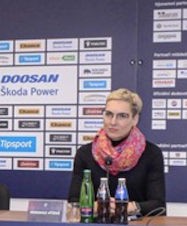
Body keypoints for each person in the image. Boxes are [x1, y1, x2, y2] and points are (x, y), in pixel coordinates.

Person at [68, 88, 166, 218]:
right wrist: (96, 206)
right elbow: (73, 203)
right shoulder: (85, 154)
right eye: (109, 114)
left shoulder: (151, 153)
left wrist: (128, 207)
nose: (113, 122)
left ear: (135, 119)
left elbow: (159, 206)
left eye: (122, 116)